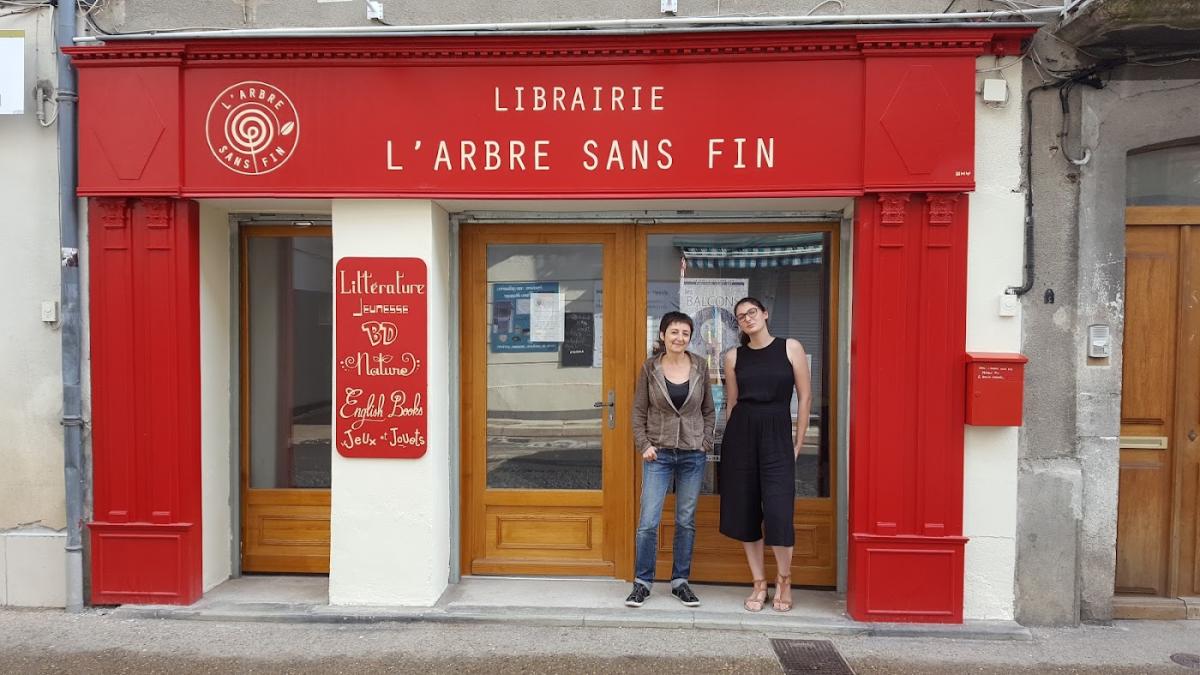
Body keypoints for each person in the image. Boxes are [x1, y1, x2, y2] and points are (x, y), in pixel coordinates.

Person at [718, 297, 812, 613]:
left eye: (752, 312)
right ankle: (759, 582)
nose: (747, 318)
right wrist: (727, 445)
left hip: (776, 432)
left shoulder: (791, 348)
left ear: (765, 314)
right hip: (742, 434)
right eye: (741, 316)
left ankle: (784, 579)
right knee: (745, 510)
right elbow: (732, 403)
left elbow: (805, 395)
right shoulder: (733, 356)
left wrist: (798, 442)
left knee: (778, 511)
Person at [625, 311, 716, 608]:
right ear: (663, 335)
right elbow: (639, 410)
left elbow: (708, 410)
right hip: (658, 454)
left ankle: (680, 582)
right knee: (648, 521)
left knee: (685, 521)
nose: (679, 338)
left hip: (692, 454)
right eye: (673, 332)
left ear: (690, 338)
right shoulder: (650, 368)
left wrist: (704, 442)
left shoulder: (700, 366)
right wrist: (644, 444)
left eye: (685, 333)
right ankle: (642, 583)